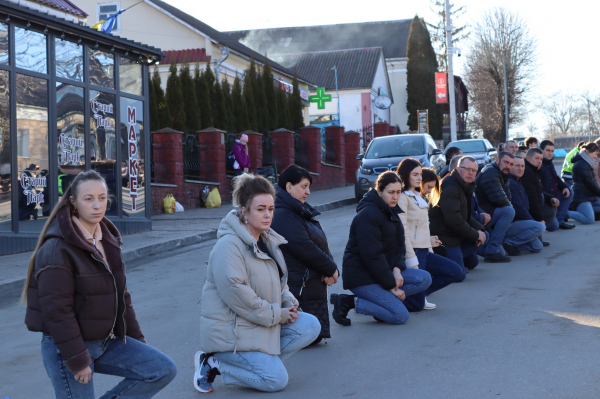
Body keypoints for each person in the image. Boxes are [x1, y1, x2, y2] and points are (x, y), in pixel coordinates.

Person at [23, 170, 177, 398]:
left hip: (104, 342)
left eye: (102, 198)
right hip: (65, 347)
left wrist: (137, 342)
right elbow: (57, 312)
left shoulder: (107, 240)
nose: (97, 205)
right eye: (88, 199)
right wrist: (77, 359)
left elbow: (121, 297)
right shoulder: (56, 249)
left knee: (161, 369)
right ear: (73, 202)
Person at [195, 173, 320, 393]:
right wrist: (279, 314)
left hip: (257, 325)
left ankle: (261, 364)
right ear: (244, 212)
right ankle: (214, 363)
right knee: (276, 380)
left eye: (270, 209)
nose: (267, 215)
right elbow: (242, 299)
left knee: (310, 326)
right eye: (260, 209)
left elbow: (280, 285)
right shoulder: (229, 246)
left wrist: (288, 303)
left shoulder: (266, 240)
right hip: (232, 336)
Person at [331, 171, 432, 326]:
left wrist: (397, 268)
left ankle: (382, 303)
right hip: (363, 277)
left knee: (424, 278)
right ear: (379, 192)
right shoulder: (368, 215)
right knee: (400, 316)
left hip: (383, 272)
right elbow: (372, 256)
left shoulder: (391, 211)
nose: (395, 197)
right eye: (391, 192)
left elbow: (399, 247)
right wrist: (391, 285)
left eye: (398, 192)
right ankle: (349, 301)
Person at [271, 165, 338, 345]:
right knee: (309, 335)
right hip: (298, 285)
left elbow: (319, 240)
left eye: (309, 186)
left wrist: (329, 266)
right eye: (304, 186)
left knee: (313, 335)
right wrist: (331, 268)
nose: (308, 192)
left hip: (309, 281)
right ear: (288, 187)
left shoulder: (297, 209)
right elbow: (303, 246)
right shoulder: (282, 213)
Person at [396, 159, 463, 312]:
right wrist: (411, 259)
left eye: (420, 174)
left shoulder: (417, 195)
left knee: (455, 271)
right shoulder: (402, 197)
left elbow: (421, 228)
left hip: (424, 250)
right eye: (415, 174)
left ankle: (418, 295)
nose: (419, 178)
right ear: (406, 175)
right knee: (417, 306)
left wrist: (429, 242)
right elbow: (402, 230)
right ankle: (398, 299)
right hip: (414, 251)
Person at [429, 156, 488, 272]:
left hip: (454, 233)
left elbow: (466, 215)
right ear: (457, 169)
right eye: (467, 169)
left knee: (473, 261)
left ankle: (457, 258)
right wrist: (476, 235)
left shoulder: (464, 185)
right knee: (458, 274)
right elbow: (453, 219)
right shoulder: (450, 186)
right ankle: (443, 259)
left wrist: (480, 230)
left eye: (474, 170)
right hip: (444, 237)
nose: (471, 173)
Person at [474, 151, 516, 262]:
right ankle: (491, 252)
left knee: (501, 252)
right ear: (497, 160)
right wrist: (511, 210)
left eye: (511, 164)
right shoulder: (491, 173)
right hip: (479, 215)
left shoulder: (502, 173)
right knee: (509, 211)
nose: (508, 166)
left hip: (488, 212)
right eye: (506, 162)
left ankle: (484, 248)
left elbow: (507, 197)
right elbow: (500, 199)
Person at [506, 156, 545, 253]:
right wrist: (532, 223)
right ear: (510, 166)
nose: (520, 168)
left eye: (522, 166)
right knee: (540, 227)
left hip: (521, 222)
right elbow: (519, 208)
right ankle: (508, 242)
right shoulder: (511, 183)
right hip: (511, 224)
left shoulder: (518, 181)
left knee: (537, 247)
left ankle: (508, 247)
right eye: (517, 165)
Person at [521, 148, 555, 247]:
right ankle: (527, 238)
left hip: (533, 207)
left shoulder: (533, 170)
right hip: (526, 211)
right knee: (537, 247)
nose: (540, 161)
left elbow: (539, 191)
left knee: (551, 207)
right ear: (528, 158)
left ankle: (536, 236)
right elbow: (532, 198)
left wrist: (550, 198)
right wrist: (539, 218)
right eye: (537, 158)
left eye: (541, 159)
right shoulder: (527, 172)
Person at [539, 140, 575, 230]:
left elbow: (556, 178)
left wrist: (564, 187)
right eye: (548, 150)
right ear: (541, 150)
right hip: (544, 199)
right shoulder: (538, 164)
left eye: (552, 151)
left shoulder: (549, 163)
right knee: (553, 227)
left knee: (569, 191)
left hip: (553, 195)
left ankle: (560, 220)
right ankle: (553, 219)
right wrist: (550, 198)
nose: (550, 153)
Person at [567, 142, 600, 225]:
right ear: (589, 152)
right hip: (581, 196)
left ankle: (583, 210)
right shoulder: (582, 164)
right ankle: (564, 213)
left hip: (588, 194)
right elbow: (590, 182)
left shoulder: (587, 162)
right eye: (595, 154)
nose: (596, 156)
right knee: (589, 219)